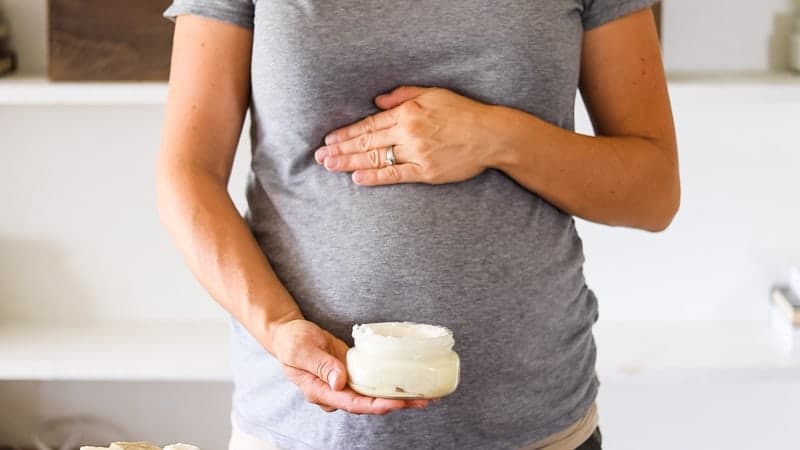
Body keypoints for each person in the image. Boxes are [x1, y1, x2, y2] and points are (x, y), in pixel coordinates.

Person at [157, 0, 679, 449]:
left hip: (533, 422)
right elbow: (189, 173)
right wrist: (278, 328)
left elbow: (653, 192)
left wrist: (497, 138)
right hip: (300, 430)